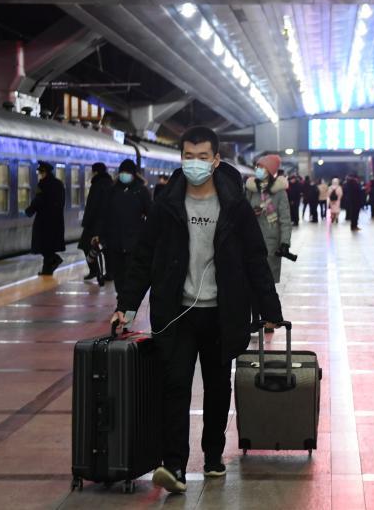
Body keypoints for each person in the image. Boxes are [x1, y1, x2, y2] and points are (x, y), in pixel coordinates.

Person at [111, 126, 283, 495]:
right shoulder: (167, 203)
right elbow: (143, 257)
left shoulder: (234, 205)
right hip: (178, 311)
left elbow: (255, 258)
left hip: (222, 313)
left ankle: (213, 456)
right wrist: (125, 305)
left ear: (216, 160)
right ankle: (173, 464)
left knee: (218, 389)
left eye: (202, 157)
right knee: (174, 386)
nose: (194, 163)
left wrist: (270, 308)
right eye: (188, 156)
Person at [94, 160, 152, 294]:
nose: (124, 175)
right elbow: (104, 214)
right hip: (115, 242)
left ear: (133, 174)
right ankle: (122, 304)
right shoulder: (112, 191)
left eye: (127, 172)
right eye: (122, 172)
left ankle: (127, 308)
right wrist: (98, 234)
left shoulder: (141, 191)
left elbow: (151, 213)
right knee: (118, 276)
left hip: (134, 242)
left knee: (131, 277)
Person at [245, 154, 292, 284]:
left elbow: (285, 219)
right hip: (252, 238)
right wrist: (251, 212)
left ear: (270, 171)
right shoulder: (251, 189)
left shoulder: (280, 192)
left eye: (262, 167)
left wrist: (285, 242)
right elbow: (242, 211)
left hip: (271, 240)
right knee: (252, 277)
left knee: (268, 279)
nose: (258, 170)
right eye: (257, 167)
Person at [25, 161, 65, 275]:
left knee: (44, 245)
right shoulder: (59, 184)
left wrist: (29, 211)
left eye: (41, 172)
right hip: (56, 220)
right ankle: (47, 269)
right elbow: (62, 202)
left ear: (45, 172)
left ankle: (54, 260)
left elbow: (38, 201)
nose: (40, 175)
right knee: (49, 245)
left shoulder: (42, 185)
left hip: (44, 220)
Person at [79, 162, 113, 282]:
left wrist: (86, 222)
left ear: (96, 172)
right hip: (109, 223)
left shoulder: (97, 185)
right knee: (106, 248)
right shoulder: (110, 183)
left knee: (85, 245)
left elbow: (92, 206)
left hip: (95, 224)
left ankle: (94, 270)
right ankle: (109, 273)